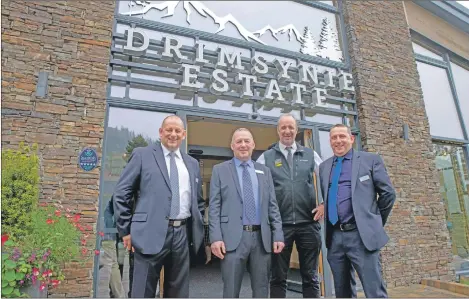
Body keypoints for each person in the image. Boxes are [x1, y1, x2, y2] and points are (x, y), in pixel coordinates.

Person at [113, 115, 204, 298]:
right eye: (169, 130)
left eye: (177, 131)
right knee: (141, 292)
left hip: (181, 236)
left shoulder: (192, 164)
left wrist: (196, 233)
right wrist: (126, 231)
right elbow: (121, 194)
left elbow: (198, 202)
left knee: (178, 293)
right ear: (160, 132)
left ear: (184, 135)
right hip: (147, 234)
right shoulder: (142, 155)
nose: (173, 134)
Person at [318, 124, 396, 298]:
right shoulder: (324, 167)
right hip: (335, 237)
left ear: (351, 139)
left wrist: (373, 221)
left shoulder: (370, 160)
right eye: (334, 138)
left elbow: (388, 194)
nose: (338, 141)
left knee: (374, 290)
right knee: (342, 292)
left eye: (342, 136)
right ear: (330, 141)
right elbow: (331, 194)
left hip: (361, 236)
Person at [209, 128, 285, 298]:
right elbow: (214, 206)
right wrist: (215, 238)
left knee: (261, 290)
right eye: (239, 141)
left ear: (253, 145)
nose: (243, 145)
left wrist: (278, 234)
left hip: (262, 239)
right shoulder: (219, 170)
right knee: (231, 290)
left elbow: (273, 206)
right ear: (232, 146)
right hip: (232, 239)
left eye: (246, 141)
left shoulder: (264, 171)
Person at [257, 113, 324, 298]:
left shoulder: (310, 155)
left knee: (310, 277)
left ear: (297, 130)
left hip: (308, 225)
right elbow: (255, 188)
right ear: (278, 130)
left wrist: (325, 203)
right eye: (283, 127)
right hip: (280, 227)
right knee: (278, 277)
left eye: (291, 127)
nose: (287, 131)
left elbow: (329, 179)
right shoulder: (266, 157)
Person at [99, 196, 127, 298]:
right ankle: (119, 295)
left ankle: (118, 294)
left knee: (118, 264)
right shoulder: (120, 194)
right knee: (114, 265)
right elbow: (108, 212)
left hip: (119, 237)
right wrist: (111, 230)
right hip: (114, 236)